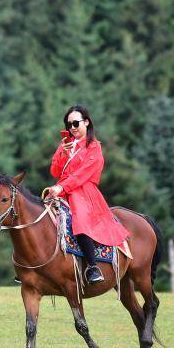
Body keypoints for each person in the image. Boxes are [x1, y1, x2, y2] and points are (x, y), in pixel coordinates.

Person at [47, 105, 130, 285]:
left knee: (80, 220)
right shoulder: (66, 145)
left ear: (86, 122)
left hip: (84, 192)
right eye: (69, 125)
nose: (72, 128)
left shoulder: (94, 147)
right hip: (63, 190)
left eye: (76, 123)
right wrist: (62, 150)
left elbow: (84, 173)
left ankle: (93, 267)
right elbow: (55, 170)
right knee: (41, 215)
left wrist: (62, 188)